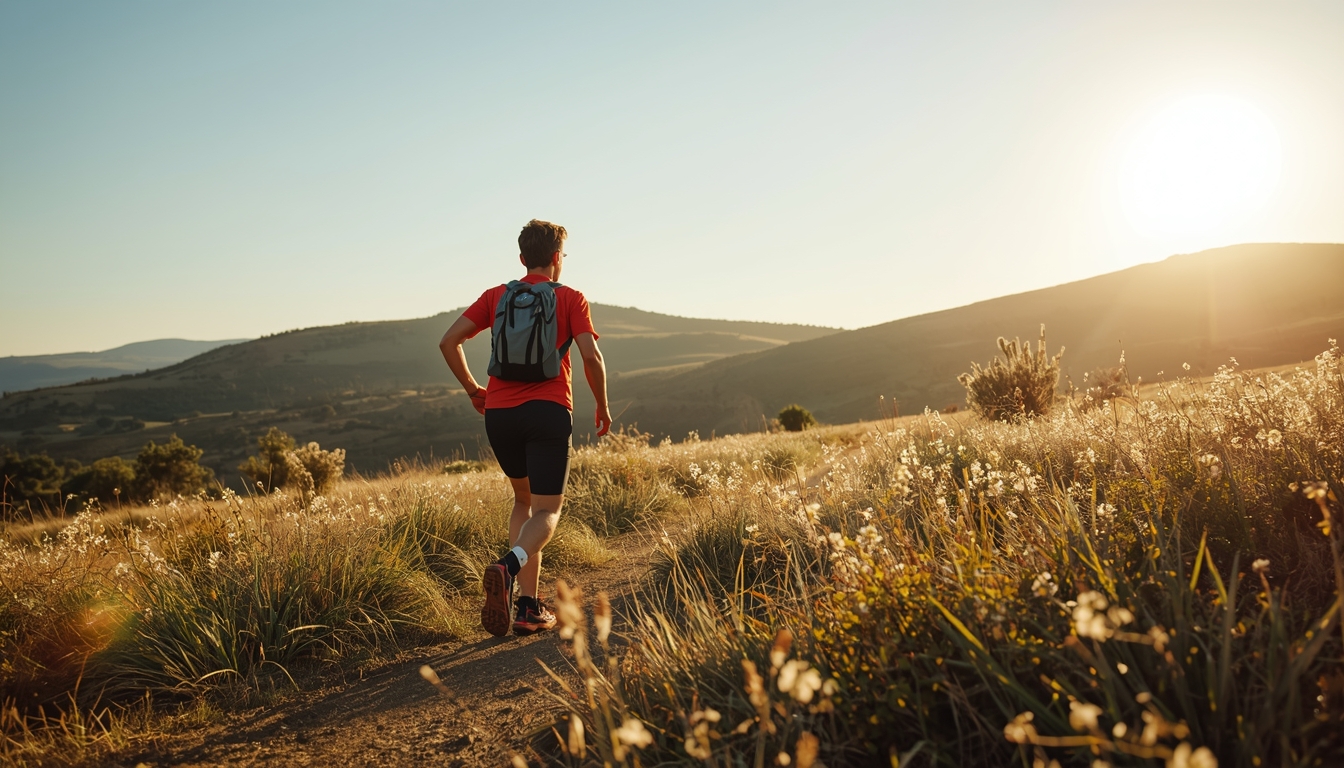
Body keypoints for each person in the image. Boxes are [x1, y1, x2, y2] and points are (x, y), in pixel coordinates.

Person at [438, 219, 612, 637]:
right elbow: (590, 356)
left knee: (523, 501)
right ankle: (507, 566)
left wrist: (473, 390)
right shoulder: (570, 297)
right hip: (548, 411)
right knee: (547, 510)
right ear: (556, 258)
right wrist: (603, 405)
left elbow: (448, 341)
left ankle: (527, 607)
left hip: (499, 414)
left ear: (522, 258)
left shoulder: (496, 296)